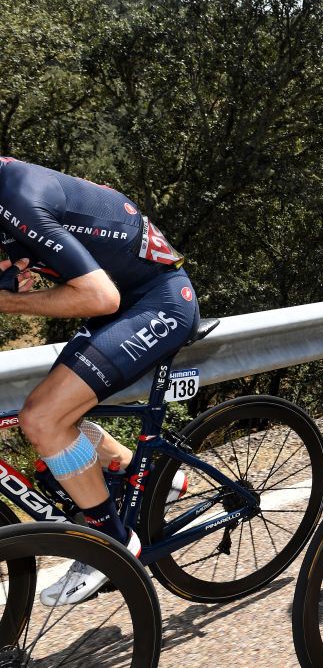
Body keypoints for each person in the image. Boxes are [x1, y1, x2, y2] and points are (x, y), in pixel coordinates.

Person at [0, 156, 197, 604]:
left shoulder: (16, 197)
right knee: (53, 412)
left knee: (43, 418)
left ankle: (110, 547)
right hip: (124, 300)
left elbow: (99, 296)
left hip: (157, 301)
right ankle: (145, 474)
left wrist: (8, 304)